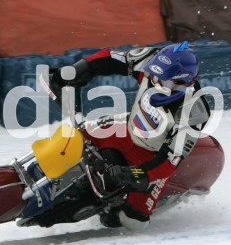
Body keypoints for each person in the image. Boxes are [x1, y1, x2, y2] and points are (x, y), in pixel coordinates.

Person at [28, 41, 210, 231]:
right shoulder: (151, 60)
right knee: (77, 136)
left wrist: (135, 174)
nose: (155, 83)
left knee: (133, 221)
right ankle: (38, 166)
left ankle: (117, 203)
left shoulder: (193, 113)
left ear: (183, 84)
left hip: (151, 156)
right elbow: (111, 59)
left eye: (163, 82)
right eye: (154, 76)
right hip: (126, 130)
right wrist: (78, 69)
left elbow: (168, 162)